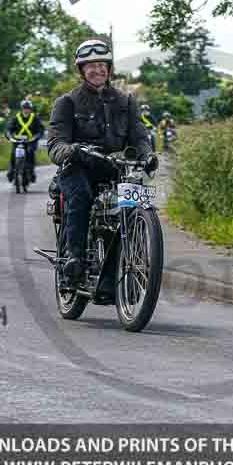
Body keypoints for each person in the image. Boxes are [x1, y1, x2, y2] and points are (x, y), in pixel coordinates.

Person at [48, 39, 158, 285]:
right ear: (81, 70)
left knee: (137, 202)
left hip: (115, 170)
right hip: (79, 168)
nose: (97, 70)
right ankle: (73, 260)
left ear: (109, 68)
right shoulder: (67, 103)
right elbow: (55, 143)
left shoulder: (126, 101)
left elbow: (139, 136)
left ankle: (131, 261)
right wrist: (70, 150)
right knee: (82, 196)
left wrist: (148, 155)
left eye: (101, 65)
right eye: (90, 66)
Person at [6, 99, 44, 183]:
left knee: (30, 152)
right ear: (22, 109)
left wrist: (36, 137)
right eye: (24, 108)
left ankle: (31, 172)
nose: (26, 110)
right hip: (18, 141)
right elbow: (9, 129)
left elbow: (40, 130)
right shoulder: (16, 118)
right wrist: (10, 136)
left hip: (31, 141)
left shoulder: (35, 118)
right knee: (13, 154)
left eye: (28, 108)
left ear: (30, 109)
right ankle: (11, 171)